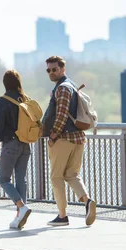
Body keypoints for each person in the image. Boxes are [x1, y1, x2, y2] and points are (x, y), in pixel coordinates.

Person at [41, 55, 96, 227]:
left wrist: (53, 135)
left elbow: (62, 114)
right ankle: (87, 202)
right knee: (71, 175)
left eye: (54, 69)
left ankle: (62, 216)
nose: (51, 72)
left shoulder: (63, 89)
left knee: (56, 177)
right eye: (48, 70)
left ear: (63, 69)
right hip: (78, 138)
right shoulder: (70, 85)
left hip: (64, 139)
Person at [0, 69, 32, 229]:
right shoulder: (25, 99)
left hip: (10, 144)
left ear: (5, 84)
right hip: (25, 144)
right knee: (21, 179)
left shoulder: (3, 100)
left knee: (4, 179)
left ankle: (22, 207)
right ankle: (19, 215)